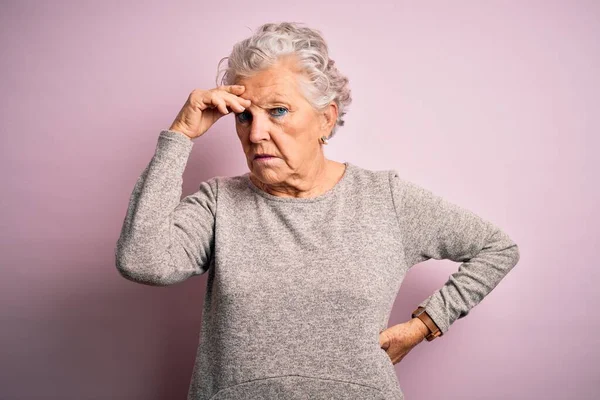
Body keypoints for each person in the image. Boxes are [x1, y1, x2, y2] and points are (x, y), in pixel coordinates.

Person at [115, 21, 520, 400]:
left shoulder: (385, 199)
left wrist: (424, 324)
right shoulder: (219, 203)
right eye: (243, 116)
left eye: (278, 111)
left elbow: (497, 248)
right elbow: (142, 260)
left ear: (326, 119)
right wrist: (180, 135)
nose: (256, 134)